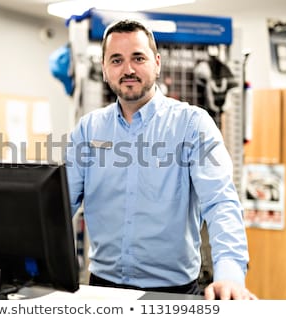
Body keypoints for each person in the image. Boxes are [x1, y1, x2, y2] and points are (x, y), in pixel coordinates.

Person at [65, 19, 256, 300]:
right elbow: (59, 205)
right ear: (105, 69)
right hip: (101, 290)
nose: (128, 69)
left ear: (157, 62)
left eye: (138, 58)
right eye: (116, 60)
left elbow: (220, 203)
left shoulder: (193, 125)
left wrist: (229, 275)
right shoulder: (88, 129)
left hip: (173, 293)